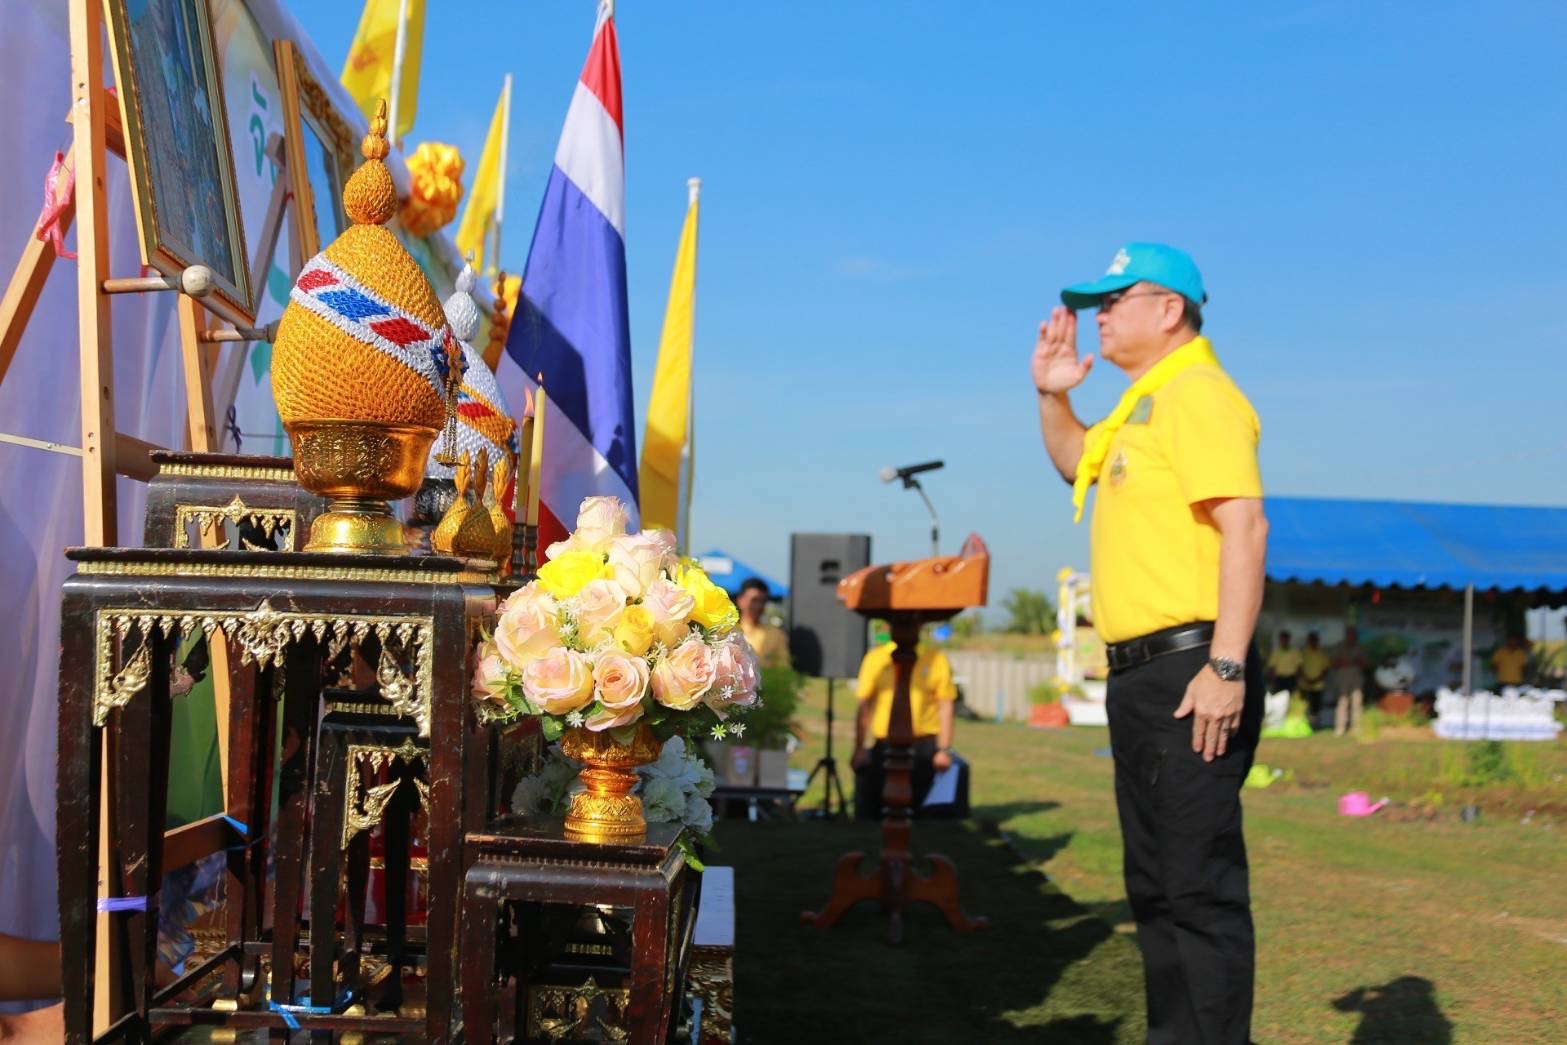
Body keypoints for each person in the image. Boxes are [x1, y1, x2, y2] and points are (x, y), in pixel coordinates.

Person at [1032, 242, 1267, 1044]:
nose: (1099, 313)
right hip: (1142, 674)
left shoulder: (1195, 392)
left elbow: (1245, 526)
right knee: (1157, 886)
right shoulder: (1142, 401)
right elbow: (1074, 462)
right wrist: (1050, 395)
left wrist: (1225, 664)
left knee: (1195, 889)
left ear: (1169, 309)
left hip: (1191, 666)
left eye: (1115, 298)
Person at [849, 632, 958, 820]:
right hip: (885, 744)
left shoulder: (935, 659)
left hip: (924, 745)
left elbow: (946, 706)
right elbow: (864, 706)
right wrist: (859, 748)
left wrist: (944, 750)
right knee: (880, 805)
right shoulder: (876, 659)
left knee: (922, 808)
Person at [734, 578, 791, 669]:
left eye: (763, 601)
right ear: (740, 600)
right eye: (754, 600)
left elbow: (784, 669)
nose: (759, 606)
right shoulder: (729, 632)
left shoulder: (776, 634)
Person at [1330, 626, 1368, 737]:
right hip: (1342, 680)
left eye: (1353, 635)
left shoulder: (1360, 648)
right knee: (1342, 703)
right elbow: (1332, 663)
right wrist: (1343, 662)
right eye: (1349, 634)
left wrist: (1357, 661)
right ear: (1346, 635)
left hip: (1356, 680)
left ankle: (1357, 728)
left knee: (1357, 704)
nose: (1351, 637)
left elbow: (1366, 664)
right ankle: (1340, 729)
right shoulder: (1339, 647)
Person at [1299, 632, 1331, 727]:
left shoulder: (1322, 653)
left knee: (1316, 707)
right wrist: (1306, 678)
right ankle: (1303, 724)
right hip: (1304, 684)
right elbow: (1299, 667)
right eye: (1310, 640)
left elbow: (1325, 669)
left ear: (1317, 641)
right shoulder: (1303, 653)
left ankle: (1314, 725)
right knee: (1303, 706)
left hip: (1318, 685)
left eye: (1314, 640)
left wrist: (1316, 680)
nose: (1312, 642)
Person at [1265, 630, 1301, 696]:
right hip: (1279, 679)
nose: (1283, 641)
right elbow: (1272, 667)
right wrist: (1273, 681)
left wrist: (1297, 680)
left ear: (1288, 640)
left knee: (1291, 697)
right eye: (1282, 640)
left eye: (1285, 639)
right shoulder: (1276, 652)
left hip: (1291, 679)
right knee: (1279, 698)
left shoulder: (1294, 652)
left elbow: (1299, 667)